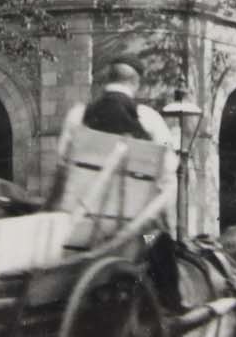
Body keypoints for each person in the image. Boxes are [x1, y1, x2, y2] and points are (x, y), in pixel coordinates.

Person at [59, 61, 181, 311]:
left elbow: (63, 161)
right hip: (132, 237)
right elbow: (168, 171)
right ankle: (171, 306)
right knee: (162, 239)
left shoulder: (77, 116)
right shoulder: (148, 118)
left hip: (76, 230)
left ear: (107, 80)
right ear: (135, 83)